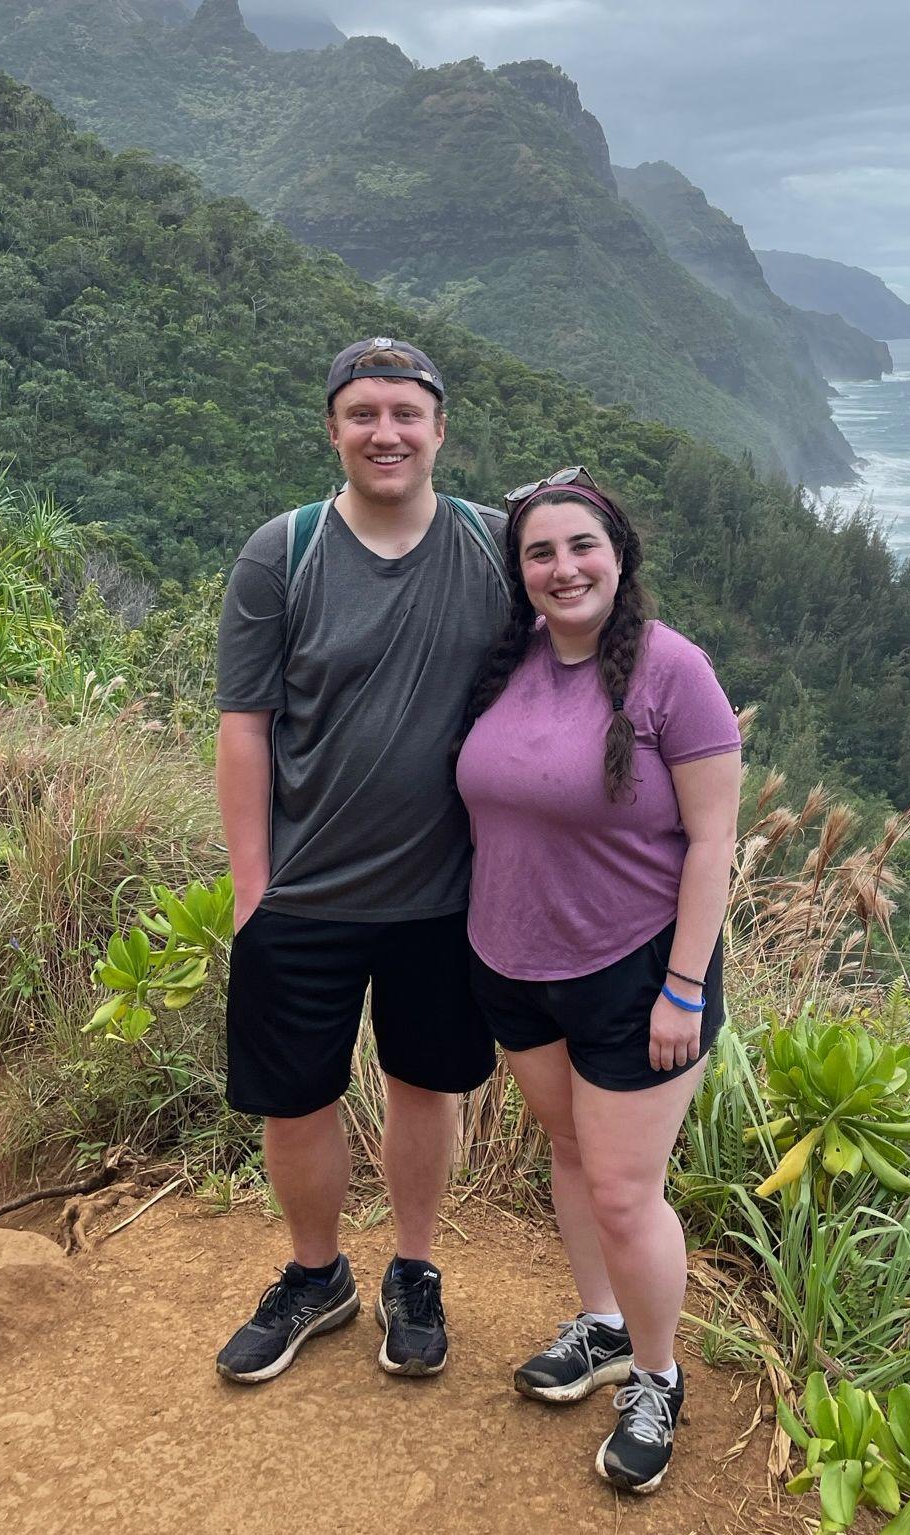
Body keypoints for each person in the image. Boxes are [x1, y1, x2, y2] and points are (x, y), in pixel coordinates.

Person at [212, 339, 508, 1385]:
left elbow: (578, 659)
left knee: (426, 1083)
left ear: (440, 429)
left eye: (406, 412)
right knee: (298, 1096)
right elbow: (244, 724)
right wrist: (255, 890)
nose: (386, 432)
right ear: (333, 429)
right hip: (305, 891)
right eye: (363, 412)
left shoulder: (495, 546)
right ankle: (316, 1271)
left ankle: (414, 1270)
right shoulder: (282, 551)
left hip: (446, 894)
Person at [455, 467, 742, 1494]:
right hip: (511, 965)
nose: (563, 567)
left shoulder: (673, 671)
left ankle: (659, 1376)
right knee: (570, 1156)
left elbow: (713, 842)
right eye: (540, 551)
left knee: (626, 1191)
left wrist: (683, 986)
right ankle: (603, 1327)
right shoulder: (509, 663)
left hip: (634, 973)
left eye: (582, 546)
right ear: (520, 571)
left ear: (619, 557)